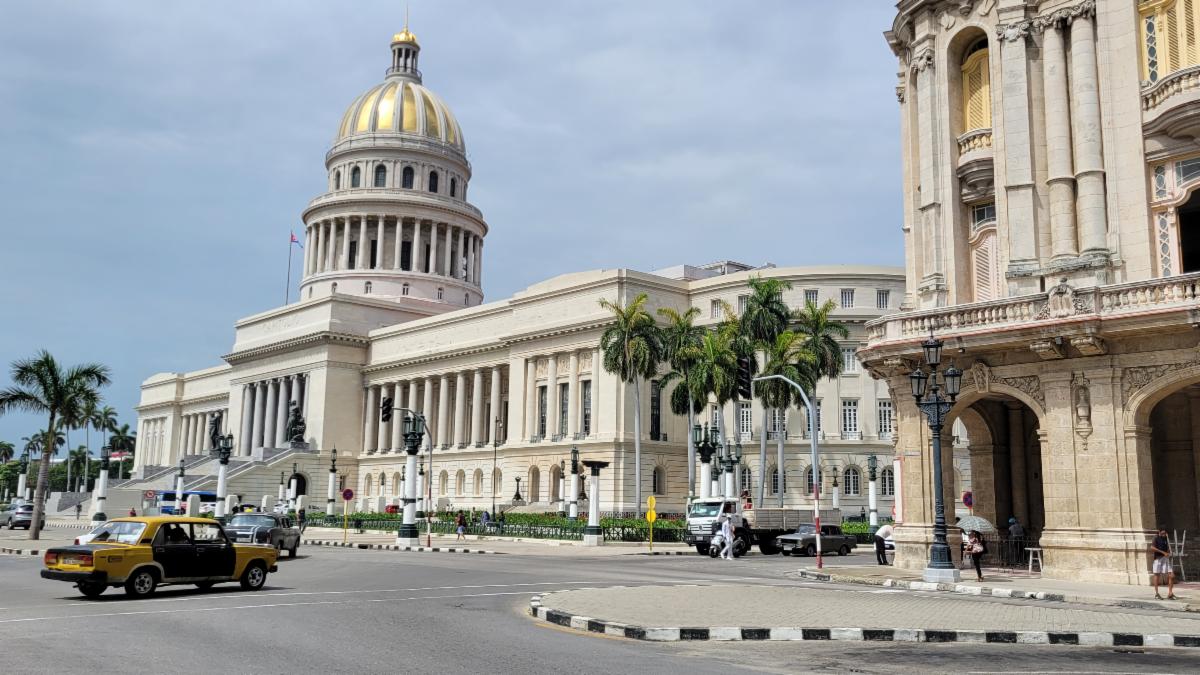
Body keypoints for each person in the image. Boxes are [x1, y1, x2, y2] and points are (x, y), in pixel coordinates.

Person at [1151, 528, 1176, 600]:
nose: (1164, 534)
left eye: (1165, 533)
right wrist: (1163, 552)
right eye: (1162, 533)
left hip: (1165, 558)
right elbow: (1152, 547)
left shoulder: (1165, 538)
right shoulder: (1156, 538)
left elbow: (1167, 548)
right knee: (1157, 575)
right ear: (1159, 532)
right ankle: (1156, 593)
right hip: (1158, 559)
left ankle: (1170, 593)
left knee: (1171, 575)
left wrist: (1168, 552)